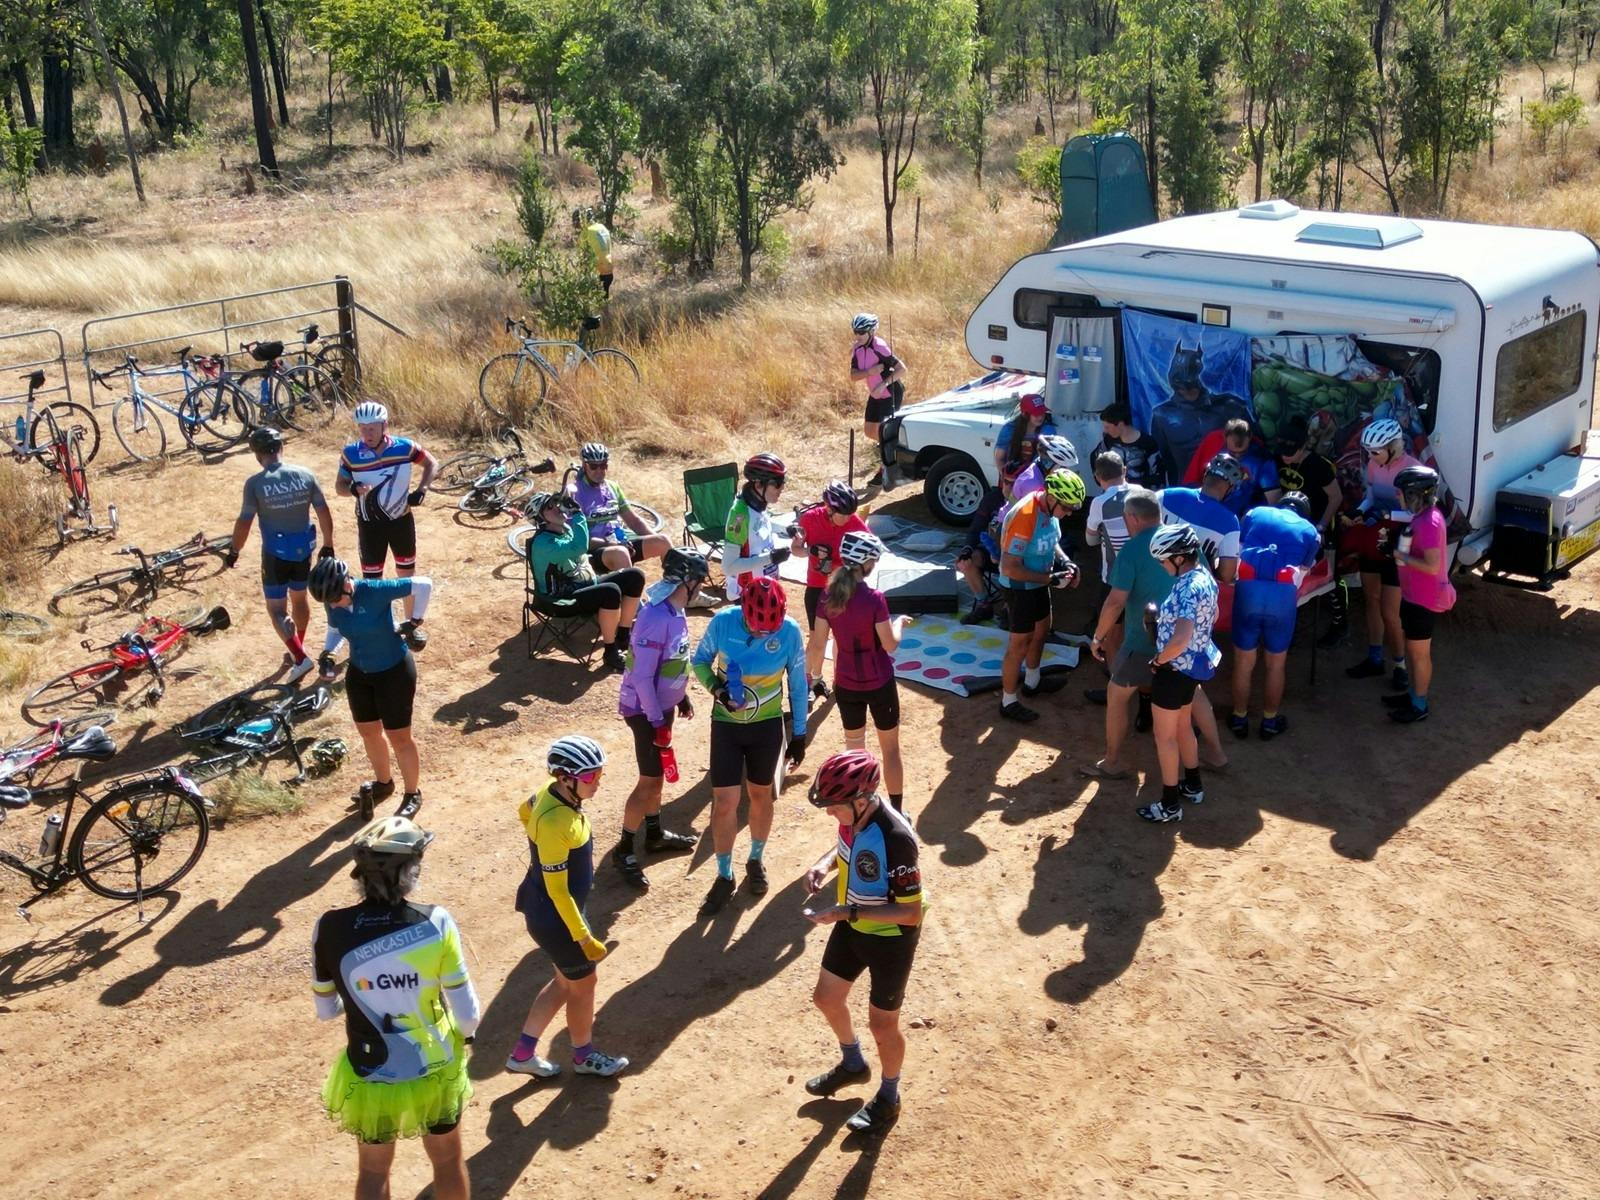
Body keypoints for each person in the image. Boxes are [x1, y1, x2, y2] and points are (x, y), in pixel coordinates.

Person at [313, 815, 478, 1200]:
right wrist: (465, 1034)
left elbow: (325, 1010)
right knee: (447, 1161)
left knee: (372, 1171)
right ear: (410, 871)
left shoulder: (329, 926)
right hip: (435, 1063)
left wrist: (364, 995)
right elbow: (468, 1015)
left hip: (371, 1069)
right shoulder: (435, 922)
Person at [801, 750, 925, 1137]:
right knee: (826, 998)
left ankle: (890, 1096)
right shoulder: (855, 816)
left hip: (890, 939)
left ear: (860, 800)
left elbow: (911, 913)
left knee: (883, 1025)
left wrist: (849, 914)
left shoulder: (897, 839)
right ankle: (853, 1064)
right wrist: (825, 864)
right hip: (852, 923)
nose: (828, 813)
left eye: (834, 806)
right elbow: (847, 848)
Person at [507, 736, 629, 1079]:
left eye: (599, 775)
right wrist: (584, 936)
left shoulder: (550, 792)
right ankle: (583, 1057)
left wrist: (538, 847)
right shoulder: (555, 823)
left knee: (564, 983)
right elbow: (559, 891)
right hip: (557, 917)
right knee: (584, 984)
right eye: (591, 777)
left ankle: (522, 1054)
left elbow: (523, 810)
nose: (598, 783)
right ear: (565, 777)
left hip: (545, 909)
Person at [690, 575, 807, 916]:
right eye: (756, 628)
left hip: (767, 728)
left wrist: (799, 734)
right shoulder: (723, 622)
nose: (762, 634)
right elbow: (699, 661)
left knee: (761, 796)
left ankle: (755, 859)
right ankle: (724, 875)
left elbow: (798, 684)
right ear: (743, 610)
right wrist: (718, 689)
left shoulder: (790, 631)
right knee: (725, 801)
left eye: (769, 629)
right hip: (726, 725)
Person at [311, 556, 431, 820]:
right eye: (328, 601)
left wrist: (414, 621)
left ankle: (412, 793)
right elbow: (335, 629)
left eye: (334, 598)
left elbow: (423, 584)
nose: (332, 605)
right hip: (359, 673)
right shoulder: (332, 600)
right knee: (369, 733)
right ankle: (383, 783)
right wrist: (329, 653)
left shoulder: (373, 590)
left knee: (399, 738)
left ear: (347, 585)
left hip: (394, 672)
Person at [614, 550, 706, 890]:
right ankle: (624, 849)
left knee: (657, 775)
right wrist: (656, 720)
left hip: (660, 709)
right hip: (644, 711)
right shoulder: (656, 617)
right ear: (687, 580)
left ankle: (653, 834)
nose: (700, 587)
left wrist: (680, 696)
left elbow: (672, 661)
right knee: (649, 780)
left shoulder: (674, 610)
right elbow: (641, 677)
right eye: (698, 580)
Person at [805, 532, 910, 813]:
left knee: (855, 753)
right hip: (879, 683)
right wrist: (898, 623)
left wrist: (813, 675)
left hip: (847, 686)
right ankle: (897, 811)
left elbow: (817, 643)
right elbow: (890, 645)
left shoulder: (828, 595)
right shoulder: (875, 599)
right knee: (890, 751)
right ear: (867, 564)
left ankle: (858, 810)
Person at [226, 425, 334, 685]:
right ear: (281, 448)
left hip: (275, 553)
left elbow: (244, 521)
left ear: (257, 455)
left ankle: (299, 656)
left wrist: (234, 551)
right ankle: (298, 644)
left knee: (276, 608)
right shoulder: (305, 474)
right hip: (303, 549)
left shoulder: (255, 484)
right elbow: (323, 510)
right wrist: (328, 542)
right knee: (299, 599)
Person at [1138, 523, 1221, 824]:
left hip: (1173, 671)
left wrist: (1159, 660)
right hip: (1192, 670)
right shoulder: (1205, 579)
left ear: (1177, 558)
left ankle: (1170, 805)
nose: (1161, 565)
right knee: (1184, 727)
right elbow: (1212, 619)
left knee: (1165, 737)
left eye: (1163, 559)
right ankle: (1194, 784)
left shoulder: (1186, 587)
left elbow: (1181, 637)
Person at [1228, 493, 1322, 740]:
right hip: (1281, 598)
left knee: (1243, 662)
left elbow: (1235, 548)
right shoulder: (1311, 531)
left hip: (1249, 589)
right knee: (1276, 664)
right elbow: (1303, 571)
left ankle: (1239, 718)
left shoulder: (1255, 513)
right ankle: (1269, 721)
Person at [996, 469, 1084, 723]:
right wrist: (1050, 579)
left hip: (1038, 581)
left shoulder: (1048, 507)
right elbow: (1010, 566)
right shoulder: (1026, 515)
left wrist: (1066, 562)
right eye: (1066, 508)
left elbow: (1051, 539)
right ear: (1053, 498)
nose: (1068, 514)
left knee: (1042, 630)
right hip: (1019, 586)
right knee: (1019, 644)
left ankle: (1033, 681)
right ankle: (1008, 700)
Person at [336, 401, 438, 620]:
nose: (367, 433)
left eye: (372, 427)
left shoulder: (405, 447)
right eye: (362, 428)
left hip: (401, 522)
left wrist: (422, 490)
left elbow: (432, 463)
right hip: (369, 526)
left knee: (406, 577)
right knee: (373, 583)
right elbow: (339, 487)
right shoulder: (350, 454)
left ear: (385, 426)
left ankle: (411, 624)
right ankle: (382, 627)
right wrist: (352, 489)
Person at [526, 490, 645, 673]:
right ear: (540, 517)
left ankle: (623, 634)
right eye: (550, 507)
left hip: (587, 587)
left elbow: (584, 542)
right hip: (562, 600)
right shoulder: (543, 543)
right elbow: (580, 546)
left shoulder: (564, 530)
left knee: (635, 576)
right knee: (610, 591)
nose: (558, 508)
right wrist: (578, 513)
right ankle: (610, 651)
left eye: (557, 503)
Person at [1342, 418, 1422, 690]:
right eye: (1368, 452)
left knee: (1391, 612)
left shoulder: (1413, 469)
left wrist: (1388, 514)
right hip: (1375, 536)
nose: (1371, 458)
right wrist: (1361, 510)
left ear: (1393, 447)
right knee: (1371, 600)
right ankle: (1375, 658)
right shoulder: (1375, 465)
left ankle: (1400, 666)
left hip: (1401, 542)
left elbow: (1417, 513)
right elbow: (1371, 497)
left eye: (1376, 452)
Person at [1386, 465, 1456, 725]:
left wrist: (1401, 556)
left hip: (1424, 601)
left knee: (1419, 655)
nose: (1397, 496)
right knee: (1414, 651)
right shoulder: (1425, 516)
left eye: (1401, 492)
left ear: (1415, 493)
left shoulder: (1429, 522)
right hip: (1414, 597)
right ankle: (1413, 695)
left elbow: (1432, 565)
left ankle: (1419, 704)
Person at [793, 479, 869, 698]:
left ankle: (840, 679)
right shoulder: (809, 519)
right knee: (817, 640)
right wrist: (811, 552)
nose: (847, 519)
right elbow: (795, 549)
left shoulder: (854, 522)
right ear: (829, 508)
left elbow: (869, 552)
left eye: (849, 514)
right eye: (842, 514)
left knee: (840, 637)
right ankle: (807, 683)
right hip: (817, 588)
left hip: (844, 587)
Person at [1149, 340, 1251, 488]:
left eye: (1189, 387)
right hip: (1185, 490)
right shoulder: (1162, 415)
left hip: (1227, 490)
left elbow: (1254, 450)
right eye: (1181, 387)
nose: (1186, 392)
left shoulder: (1229, 407)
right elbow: (1162, 460)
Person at [568, 442, 672, 573]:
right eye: (594, 466)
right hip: (594, 551)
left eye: (603, 465)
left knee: (663, 541)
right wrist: (611, 544)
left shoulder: (612, 487)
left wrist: (654, 538)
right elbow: (577, 538)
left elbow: (634, 521)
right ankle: (628, 591)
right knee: (621, 553)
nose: (599, 471)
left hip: (619, 542)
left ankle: (677, 588)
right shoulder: (574, 492)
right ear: (584, 465)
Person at [723, 452, 791, 601]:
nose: (782, 488)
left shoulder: (757, 504)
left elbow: (759, 524)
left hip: (764, 589)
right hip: (748, 597)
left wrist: (786, 530)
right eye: (777, 483)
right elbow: (729, 566)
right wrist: (771, 558)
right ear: (759, 484)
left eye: (783, 481)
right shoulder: (739, 516)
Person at [849, 314, 907, 488]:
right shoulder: (857, 349)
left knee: (883, 432)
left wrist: (883, 384)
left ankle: (886, 472)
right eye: (855, 331)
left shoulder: (879, 347)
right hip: (875, 394)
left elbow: (901, 369)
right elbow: (853, 376)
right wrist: (870, 372)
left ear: (871, 331)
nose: (857, 335)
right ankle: (891, 448)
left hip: (890, 393)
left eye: (861, 332)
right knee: (869, 431)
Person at [1181, 418, 1278, 515]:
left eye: (1242, 452)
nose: (1237, 457)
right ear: (1224, 437)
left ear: (1250, 437)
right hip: (1209, 509)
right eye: (1232, 453)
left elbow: (1274, 501)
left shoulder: (1262, 459)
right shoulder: (1213, 444)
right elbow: (1191, 480)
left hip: (1244, 518)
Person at [1084, 449, 1133, 587]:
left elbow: (1090, 541)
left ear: (1097, 477)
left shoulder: (1100, 502)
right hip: (1143, 573)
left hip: (1114, 576)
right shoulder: (1142, 492)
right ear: (1124, 470)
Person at [1094, 403, 1162, 487]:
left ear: (1120, 424)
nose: (1105, 431)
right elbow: (1097, 460)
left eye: (1107, 427)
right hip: (1114, 494)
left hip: (1140, 494)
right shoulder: (1108, 441)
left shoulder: (1147, 443)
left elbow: (1158, 474)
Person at [993, 391, 1055, 478]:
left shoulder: (1047, 430)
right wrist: (1007, 479)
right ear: (1025, 414)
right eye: (1036, 414)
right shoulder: (1009, 429)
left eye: (1042, 412)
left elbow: (1045, 461)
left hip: (1036, 478)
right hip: (1012, 476)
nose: (1041, 417)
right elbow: (999, 458)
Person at [1009, 431, 1077, 500]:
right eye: (1063, 467)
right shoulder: (1032, 485)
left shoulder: (1041, 468)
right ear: (1048, 463)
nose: (1067, 472)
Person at [576, 207, 614, 297]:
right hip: (609, 270)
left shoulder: (586, 232)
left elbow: (583, 257)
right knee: (604, 300)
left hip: (598, 272)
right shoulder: (602, 227)